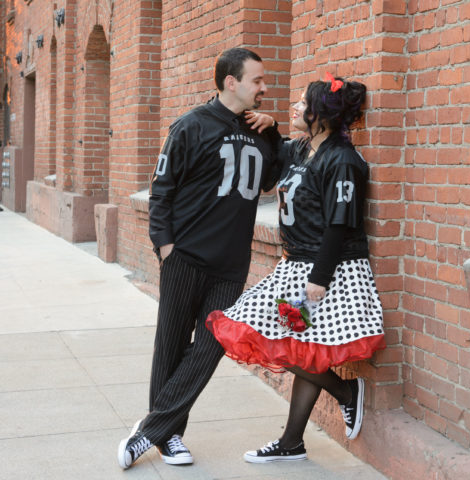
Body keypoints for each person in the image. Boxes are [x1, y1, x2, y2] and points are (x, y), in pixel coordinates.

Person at [206, 74, 386, 463]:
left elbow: (341, 223)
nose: (295, 107)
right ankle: (334, 403)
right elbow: (274, 166)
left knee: (299, 351)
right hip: (296, 265)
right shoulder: (302, 148)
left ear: (321, 112)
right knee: (274, 339)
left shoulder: (343, 160)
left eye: (303, 103)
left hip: (329, 270)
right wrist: (270, 130)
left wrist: (319, 279)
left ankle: (299, 434)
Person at [117, 47, 280, 469]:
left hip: (230, 266)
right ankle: (169, 437)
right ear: (231, 82)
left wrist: (275, 130)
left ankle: (149, 430)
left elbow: (270, 181)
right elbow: (162, 190)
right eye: (257, 80)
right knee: (171, 345)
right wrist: (166, 247)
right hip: (186, 257)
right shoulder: (191, 125)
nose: (265, 87)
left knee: (211, 346)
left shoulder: (260, 131)